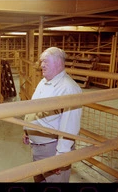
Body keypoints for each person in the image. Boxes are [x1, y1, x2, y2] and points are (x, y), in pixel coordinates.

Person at [22, 47, 82, 183]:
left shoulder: (68, 88)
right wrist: (26, 130)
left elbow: (70, 125)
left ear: (58, 62)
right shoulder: (44, 82)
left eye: (46, 62)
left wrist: (61, 157)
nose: (41, 65)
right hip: (37, 146)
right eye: (41, 61)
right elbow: (33, 108)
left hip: (52, 149)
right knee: (39, 179)